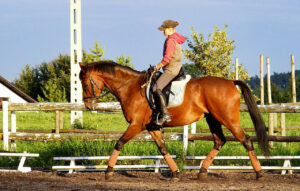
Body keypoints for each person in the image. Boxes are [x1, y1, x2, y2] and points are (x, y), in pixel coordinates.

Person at [149, 19, 186, 126]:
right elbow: (183, 39)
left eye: (164, 29)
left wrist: (156, 67)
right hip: (178, 67)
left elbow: (166, 59)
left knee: (156, 88)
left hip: (171, 69)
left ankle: (165, 114)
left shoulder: (170, 41)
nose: (163, 32)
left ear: (170, 29)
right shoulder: (176, 38)